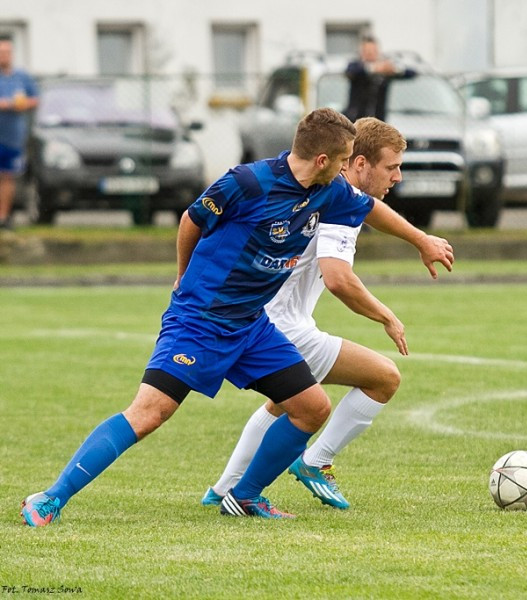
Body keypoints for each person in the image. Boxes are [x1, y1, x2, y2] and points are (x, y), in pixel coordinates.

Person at [20, 108, 453, 526]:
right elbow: (191, 220)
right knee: (148, 414)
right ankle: (50, 498)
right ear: (323, 160)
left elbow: (370, 207)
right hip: (201, 320)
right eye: (342, 161)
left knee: (311, 407)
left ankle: (244, 496)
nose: (345, 172)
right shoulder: (247, 183)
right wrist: (182, 276)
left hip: (251, 326)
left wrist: (420, 240)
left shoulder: (328, 189)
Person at [201, 117, 414, 510]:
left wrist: (420, 239)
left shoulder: (326, 194)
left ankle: (221, 491)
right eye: (392, 167)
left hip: (266, 320)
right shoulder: (339, 204)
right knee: (384, 377)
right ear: (359, 163)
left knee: (282, 404)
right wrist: (386, 316)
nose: (398, 177)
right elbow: (337, 278)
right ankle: (316, 460)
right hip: (285, 327)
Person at [0, 38, 39, 230]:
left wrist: (21, 104)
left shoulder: (22, 77)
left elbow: (35, 100)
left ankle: (4, 217)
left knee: (8, 177)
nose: (3, 56)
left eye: (7, 52)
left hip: (13, 137)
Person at [344, 35, 415, 122]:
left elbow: (412, 73)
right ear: (361, 52)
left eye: (373, 51)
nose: (370, 54)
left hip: (379, 120)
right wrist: (373, 68)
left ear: (378, 52)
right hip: (355, 120)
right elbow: (351, 71)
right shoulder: (356, 66)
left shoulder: (385, 70)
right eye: (367, 51)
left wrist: (394, 69)